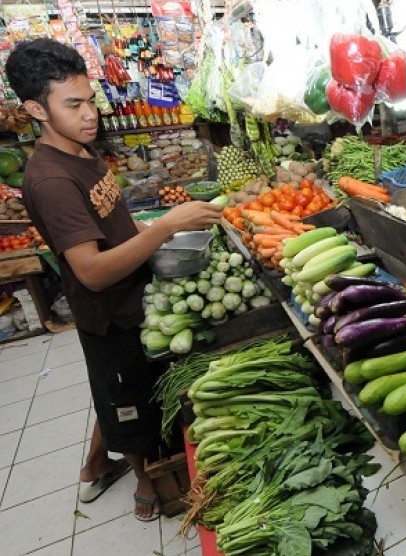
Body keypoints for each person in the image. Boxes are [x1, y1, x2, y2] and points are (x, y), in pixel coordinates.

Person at [6, 39, 222, 521]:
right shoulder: (52, 180)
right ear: (35, 109)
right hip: (110, 314)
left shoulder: (80, 153)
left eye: (90, 101)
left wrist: (153, 231)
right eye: (73, 105)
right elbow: (92, 271)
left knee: (128, 390)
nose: (90, 115)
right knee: (128, 404)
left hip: (136, 298)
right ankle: (145, 481)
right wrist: (166, 227)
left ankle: (97, 463)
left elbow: (111, 225)